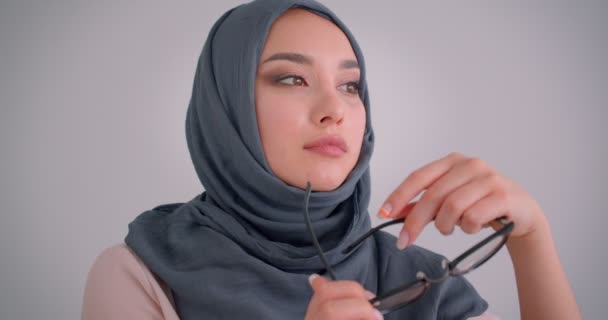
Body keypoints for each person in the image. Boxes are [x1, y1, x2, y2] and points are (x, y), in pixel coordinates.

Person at [81, 0, 581, 319]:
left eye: (350, 86)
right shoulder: (146, 272)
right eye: (291, 79)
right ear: (224, 104)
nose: (334, 111)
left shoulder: (420, 279)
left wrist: (531, 242)